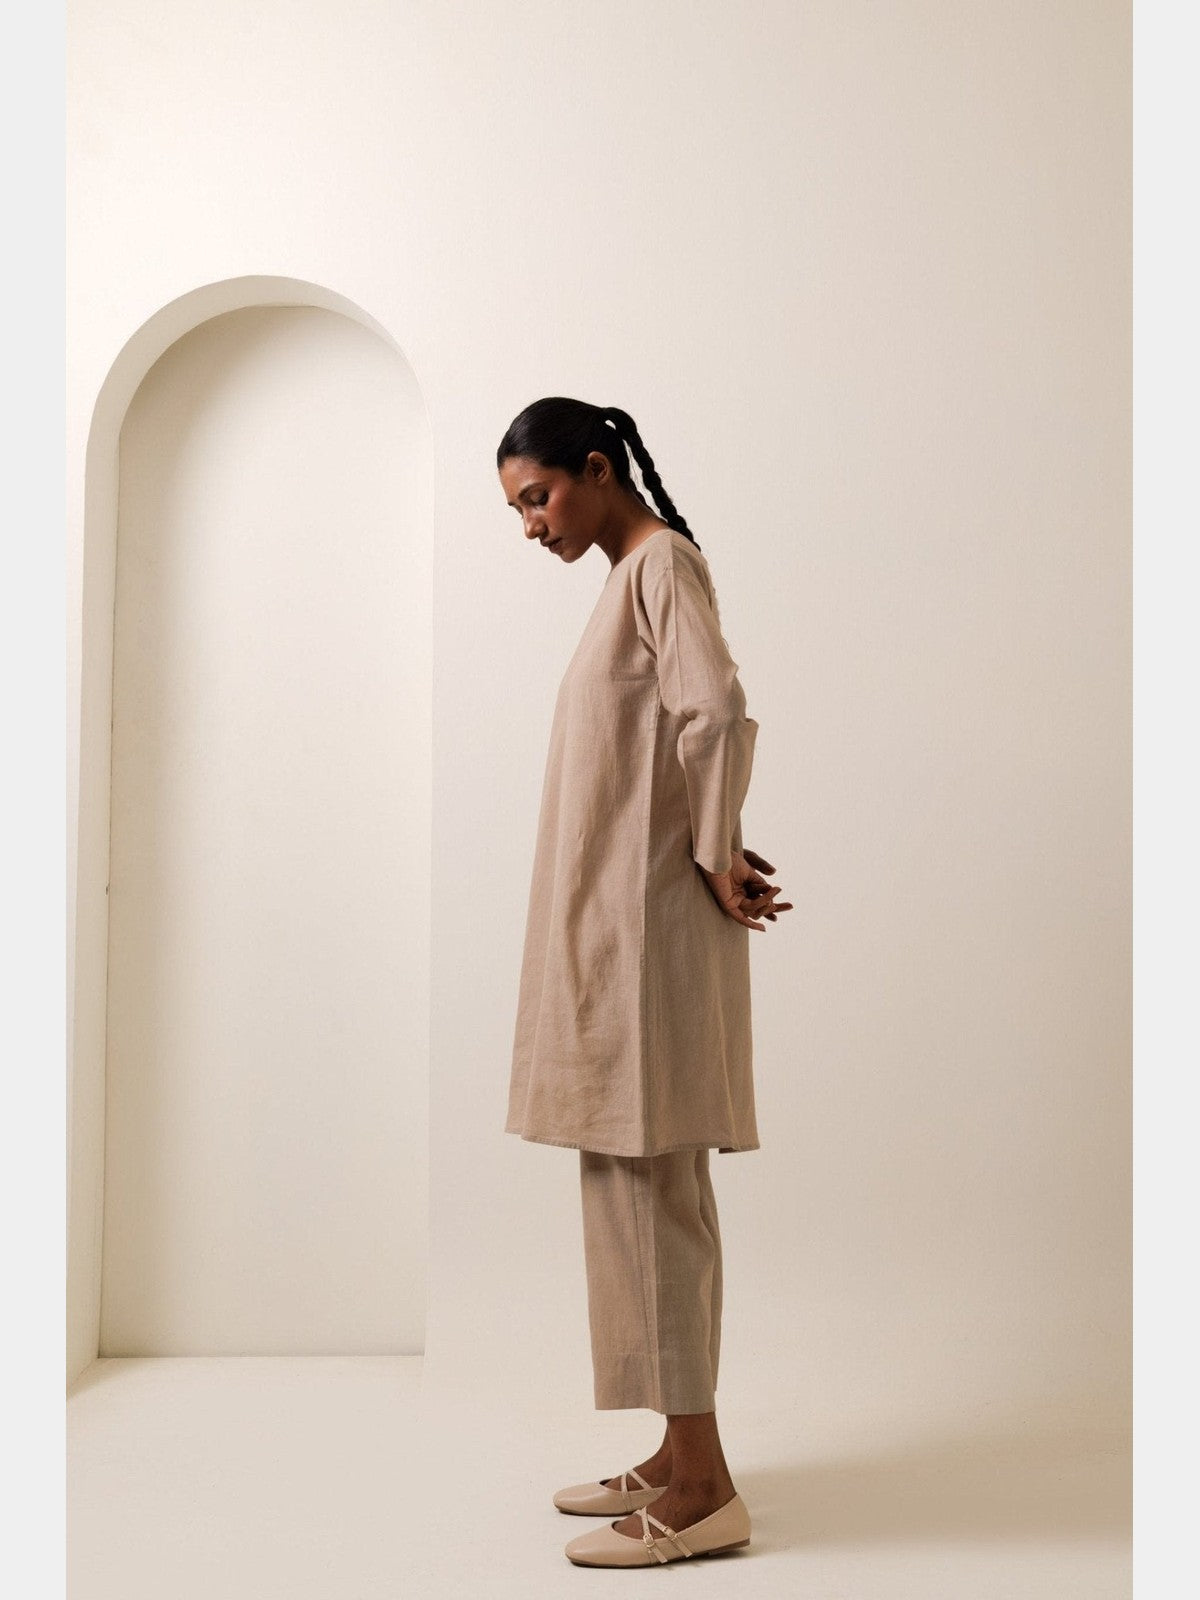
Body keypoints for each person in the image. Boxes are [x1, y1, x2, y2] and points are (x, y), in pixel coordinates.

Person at [497, 397, 792, 1567]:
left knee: (652, 1188)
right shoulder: (629, 579)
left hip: (645, 940)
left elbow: (714, 709)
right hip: (614, 937)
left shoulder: (659, 563)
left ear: (596, 466)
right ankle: (678, 1452)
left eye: (538, 497)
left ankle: (705, 1487)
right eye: (519, 509)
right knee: (633, 1183)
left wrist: (717, 852)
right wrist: (709, 843)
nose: (531, 525)